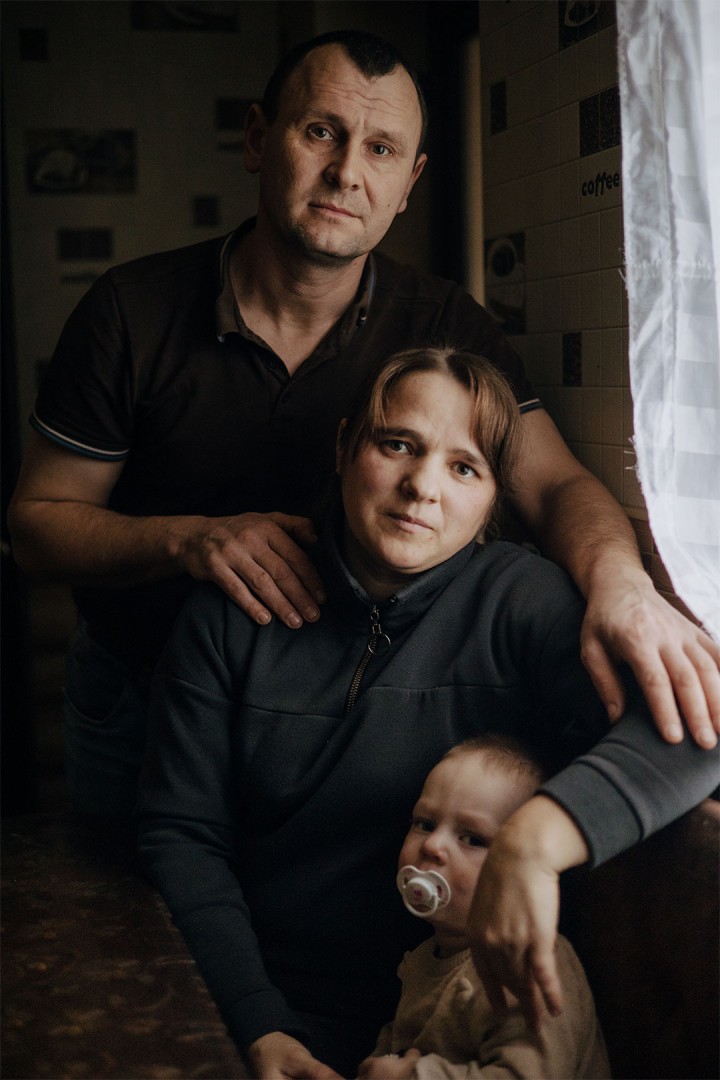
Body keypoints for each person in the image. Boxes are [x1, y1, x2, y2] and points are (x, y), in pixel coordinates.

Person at [8, 30, 719, 823]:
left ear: (410, 182)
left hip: (331, 713)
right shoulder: (128, 311)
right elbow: (37, 528)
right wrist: (190, 540)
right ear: (256, 138)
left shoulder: (446, 322)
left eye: (382, 150)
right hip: (138, 695)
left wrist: (623, 587)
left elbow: (554, 488)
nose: (347, 172)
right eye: (321, 132)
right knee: (142, 930)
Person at [137, 347, 719, 1080]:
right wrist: (258, 1024)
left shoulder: (520, 601)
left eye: (463, 467)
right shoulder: (231, 610)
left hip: (454, 1032)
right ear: (346, 446)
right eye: (397, 445)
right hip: (264, 1011)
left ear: (491, 498)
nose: (421, 488)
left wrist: (535, 841)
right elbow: (183, 834)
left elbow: (699, 734)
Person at [357, 735, 610, 1080]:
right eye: (425, 824)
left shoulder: (530, 963)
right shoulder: (427, 957)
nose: (432, 845)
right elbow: (403, 1042)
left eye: (473, 839)